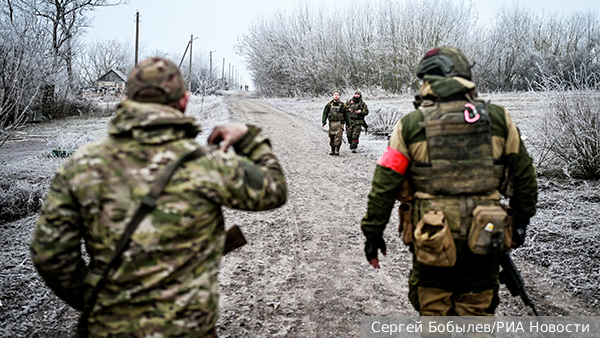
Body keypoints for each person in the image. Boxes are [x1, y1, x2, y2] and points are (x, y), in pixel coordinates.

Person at [30, 57, 287, 338]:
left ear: (127, 100)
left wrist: (101, 301)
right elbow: (273, 188)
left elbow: (50, 254)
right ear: (184, 101)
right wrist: (249, 137)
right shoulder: (209, 164)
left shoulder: (82, 165)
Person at [360, 47, 538, 323]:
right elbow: (525, 179)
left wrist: (373, 233)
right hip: (487, 235)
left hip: (432, 238)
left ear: (431, 79)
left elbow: (384, 183)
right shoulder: (499, 120)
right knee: (478, 313)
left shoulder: (410, 125)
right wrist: (521, 222)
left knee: (434, 314)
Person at [322, 90, 350, 155]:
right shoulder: (329, 104)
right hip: (332, 123)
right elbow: (325, 113)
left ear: (339, 96)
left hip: (340, 123)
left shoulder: (343, 105)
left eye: (337, 95)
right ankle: (332, 150)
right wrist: (324, 121)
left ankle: (337, 150)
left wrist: (348, 124)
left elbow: (346, 115)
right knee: (332, 137)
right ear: (333, 96)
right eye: (335, 95)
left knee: (338, 137)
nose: (336, 96)